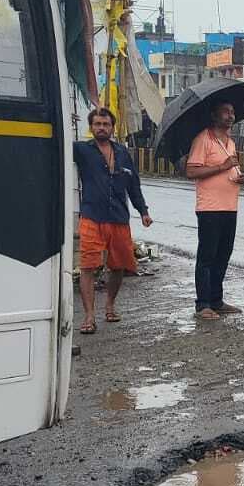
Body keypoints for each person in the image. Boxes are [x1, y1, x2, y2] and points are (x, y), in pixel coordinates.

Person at [72, 107, 150, 334]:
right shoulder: (82, 150)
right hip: (92, 217)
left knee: (118, 266)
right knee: (88, 266)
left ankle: (110, 305)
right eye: (97, 124)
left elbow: (133, 185)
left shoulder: (123, 152)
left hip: (118, 217)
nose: (101, 128)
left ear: (112, 128)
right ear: (91, 127)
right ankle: (88, 316)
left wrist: (143, 210)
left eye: (105, 125)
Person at [185, 101, 244, 320]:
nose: (230, 116)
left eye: (232, 112)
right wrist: (223, 167)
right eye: (225, 112)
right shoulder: (204, 139)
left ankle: (216, 300)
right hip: (210, 208)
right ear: (214, 115)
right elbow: (191, 171)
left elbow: (228, 170)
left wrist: (238, 176)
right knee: (207, 256)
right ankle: (202, 304)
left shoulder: (229, 142)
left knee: (223, 255)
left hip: (230, 206)